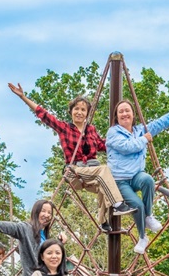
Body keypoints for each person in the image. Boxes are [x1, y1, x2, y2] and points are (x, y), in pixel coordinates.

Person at [8, 83, 137, 231]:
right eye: (76, 109)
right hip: (75, 172)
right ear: (71, 112)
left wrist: (130, 139)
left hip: (91, 172)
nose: (79, 112)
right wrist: (23, 97)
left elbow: (105, 145)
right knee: (104, 171)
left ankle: (102, 221)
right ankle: (118, 204)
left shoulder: (91, 130)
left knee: (105, 184)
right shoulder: (65, 128)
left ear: (87, 113)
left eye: (83, 110)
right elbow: (44, 115)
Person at [106, 98, 169, 254]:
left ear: (133, 114)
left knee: (148, 179)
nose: (124, 114)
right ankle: (142, 237)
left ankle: (148, 216)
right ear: (116, 116)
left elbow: (160, 123)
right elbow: (127, 147)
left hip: (136, 176)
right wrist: (144, 139)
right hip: (120, 180)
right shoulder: (113, 132)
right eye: (121, 111)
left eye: (127, 110)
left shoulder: (140, 130)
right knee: (137, 205)